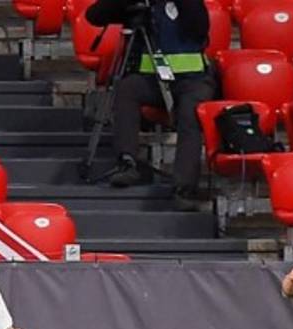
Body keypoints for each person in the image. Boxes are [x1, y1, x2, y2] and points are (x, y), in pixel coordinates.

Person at [87, 0, 216, 210]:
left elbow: (198, 28)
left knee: (190, 116)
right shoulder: (146, 6)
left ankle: (184, 187)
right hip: (152, 80)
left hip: (193, 80)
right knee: (127, 88)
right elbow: (95, 16)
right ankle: (127, 161)